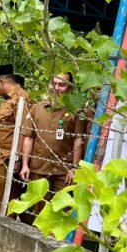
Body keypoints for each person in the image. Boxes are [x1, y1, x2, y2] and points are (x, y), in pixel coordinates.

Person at [19, 72, 88, 223]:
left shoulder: (76, 110)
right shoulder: (37, 108)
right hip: (39, 168)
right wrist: (25, 165)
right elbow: (29, 137)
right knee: (40, 211)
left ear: (69, 87)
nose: (56, 88)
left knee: (62, 212)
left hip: (63, 171)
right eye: (54, 83)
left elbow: (78, 139)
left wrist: (74, 167)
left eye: (61, 85)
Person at [0, 64, 30, 213]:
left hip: (7, 159)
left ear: (1, 82)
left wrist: (18, 159)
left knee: (5, 203)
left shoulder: (21, 98)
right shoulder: (6, 100)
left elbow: (24, 130)